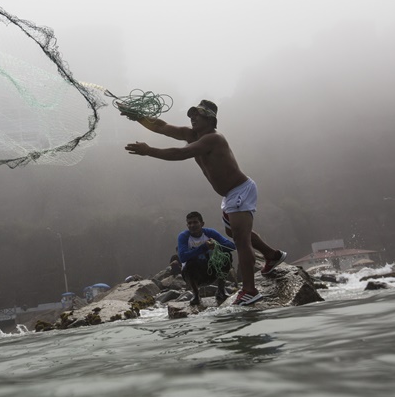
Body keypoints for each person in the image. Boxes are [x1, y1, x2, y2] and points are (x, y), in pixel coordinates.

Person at [123, 99, 287, 306]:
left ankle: (249, 290)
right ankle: (272, 255)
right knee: (232, 233)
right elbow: (161, 127)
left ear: (210, 119)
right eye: (191, 115)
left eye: (197, 115)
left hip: (240, 190)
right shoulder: (191, 135)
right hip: (229, 196)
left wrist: (149, 151)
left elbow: (181, 153)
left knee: (240, 239)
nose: (192, 118)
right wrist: (137, 115)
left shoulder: (213, 139)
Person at [177, 211, 235, 305]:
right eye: (189, 223)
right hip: (192, 274)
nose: (192, 225)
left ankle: (221, 290)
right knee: (191, 262)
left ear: (202, 224)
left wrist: (216, 246)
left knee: (226, 256)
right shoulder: (183, 236)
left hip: (211, 271)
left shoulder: (210, 233)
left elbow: (231, 246)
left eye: (195, 222)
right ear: (187, 225)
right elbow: (183, 257)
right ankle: (196, 295)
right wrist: (204, 247)